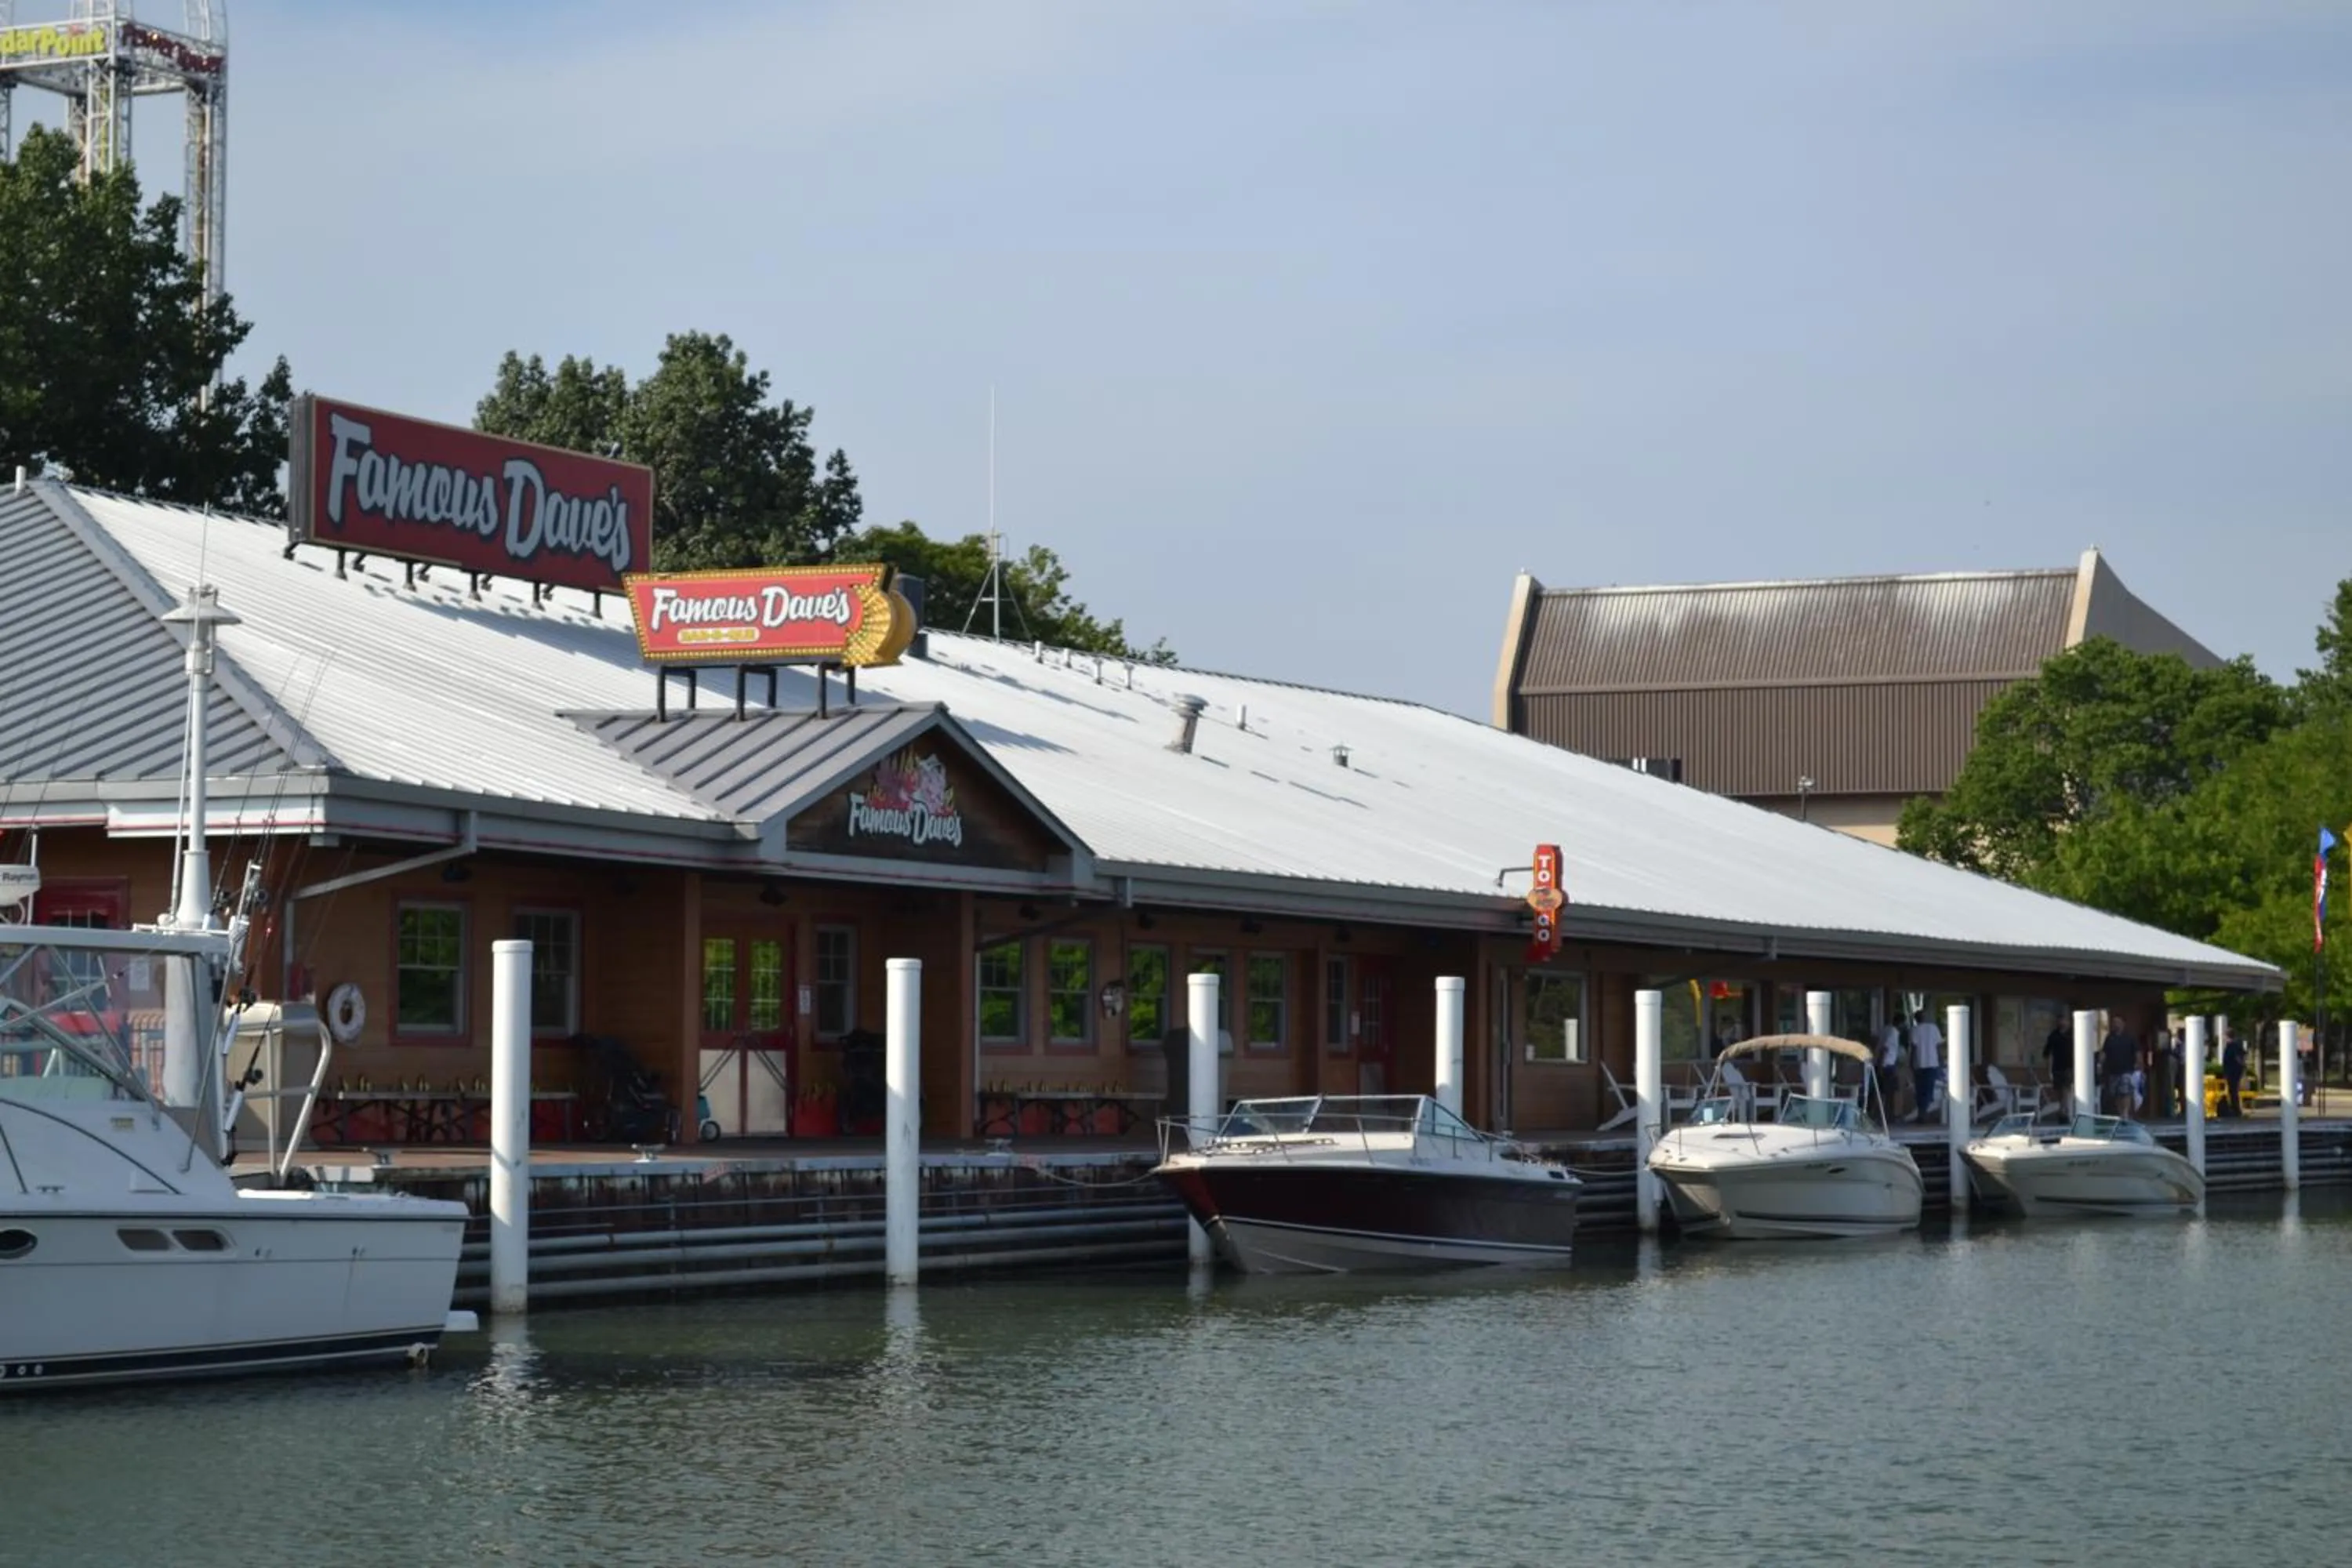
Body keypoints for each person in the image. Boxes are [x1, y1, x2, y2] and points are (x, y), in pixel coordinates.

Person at [1909, 1009, 1944, 1123]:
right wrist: (1940, 1060)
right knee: (1929, 1089)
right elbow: (1938, 1047)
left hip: (1920, 1063)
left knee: (1920, 1090)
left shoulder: (1914, 1030)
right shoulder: (1934, 1028)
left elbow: (1914, 1049)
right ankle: (1924, 1114)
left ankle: (1922, 1114)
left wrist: (1911, 1062)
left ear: (1916, 1019)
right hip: (1933, 1063)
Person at [2100, 1018, 2139, 1119]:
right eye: (2114, 1023)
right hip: (2113, 1071)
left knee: (2126, 1092)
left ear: (2123, 1024)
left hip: (2127, 1069)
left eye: (2119, 1022)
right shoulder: (2109, 1038)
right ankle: (2121, 1112)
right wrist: (2100, 1063)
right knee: (2116, 1094)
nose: (2116, 1025)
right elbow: (2104, 1052)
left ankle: (2125, 1113)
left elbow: (2137, 1052)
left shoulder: (2130, 1037)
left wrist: (2139, 1065)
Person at [1876, 1015, 1907, 1121]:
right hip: (1887, 1065)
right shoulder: (1893, 1033)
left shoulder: (1886, 1030)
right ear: (1900, 1023)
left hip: (1886, 1064)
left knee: (1885, 1091)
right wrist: (1881, 1065)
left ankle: (1886, 1114)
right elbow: (1885, 1049)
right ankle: (1889, 1115)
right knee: (1891, 1092)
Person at [2042, 1018, 2074, 1116]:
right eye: (2061, 1021)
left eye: (2065, 1021)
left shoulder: (2072, 1035)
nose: (2064, 1023)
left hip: (2069, 1066)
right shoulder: (2054, 1035)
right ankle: (2062, 1107)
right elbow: (2046, 1052)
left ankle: (2064, 1109)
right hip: (2057, 1066)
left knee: (2066, 1087)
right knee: (2059, 1089)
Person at [2221, 1029, 2247, 1118]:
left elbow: (2238, 1058)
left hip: (2233, 1071)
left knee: (2233, 1090)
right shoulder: (2236, 1045)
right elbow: (2242, 1056)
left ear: (2227, 1036)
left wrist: (2242, 1066)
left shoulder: (2232, 1046)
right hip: (2234, 1071)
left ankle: (2236, 1109)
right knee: (2233, 1091)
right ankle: (2235, 1108)